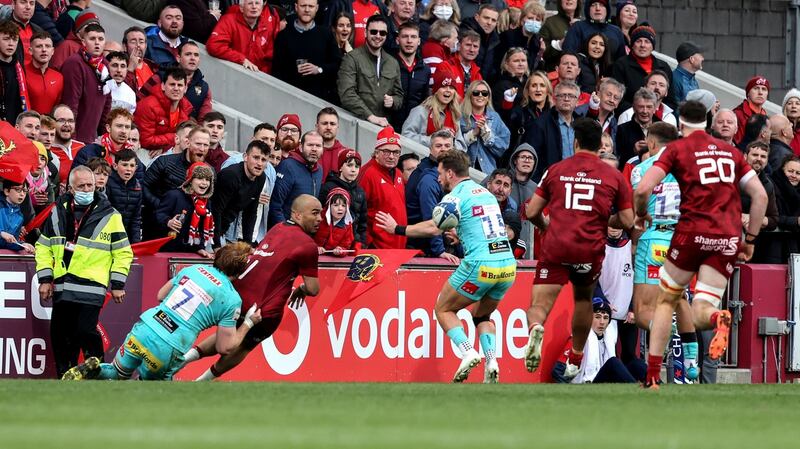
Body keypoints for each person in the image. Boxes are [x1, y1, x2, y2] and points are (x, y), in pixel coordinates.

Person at [633, 100, 769, 389]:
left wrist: (642, 213)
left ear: (681, 124)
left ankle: (653, 376)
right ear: (707, 123)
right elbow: (760, 197)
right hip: (727, 237)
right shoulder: (731, 152)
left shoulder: (677, 149)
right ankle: (718, 317)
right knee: (701, 308)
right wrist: (751, 240)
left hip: (691, 234)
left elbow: (643, 188)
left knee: (667, 300)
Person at [377, 150, 517, 383]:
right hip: (506, 266)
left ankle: (467, 351)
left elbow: (434, 227)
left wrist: (398, 229)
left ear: (451, 173)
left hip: (480, 264)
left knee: (443, 309)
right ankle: (491, 360)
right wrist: (462, 235)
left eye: (440, 173)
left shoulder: (454, 197)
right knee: (482, 316)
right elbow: (484, 228)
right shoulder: (486, 194)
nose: (439, 178)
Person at [523, 118, 634, 379]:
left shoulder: (556, 169)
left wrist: (545, 225)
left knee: (539, 303)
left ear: (575, 142)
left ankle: (537, 327)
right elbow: (628, 221)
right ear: (600, 145)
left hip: (557, 246)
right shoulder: (614, 176)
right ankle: (575, 355)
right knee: (583, 300)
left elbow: (531, 211)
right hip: (589, 248)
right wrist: (607, 220)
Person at [60, 242, 261, 381]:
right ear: (241, 271)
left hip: (145, 328)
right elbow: (225, 347)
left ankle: (95, 368)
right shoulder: (232, 299)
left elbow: (160, 295)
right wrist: (248, 324)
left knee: (116, 372)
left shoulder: (193, 269)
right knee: (157, 393)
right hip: (169, 346)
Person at [186, 195, 321, 381]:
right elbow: (313, 289)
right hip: (264, 309)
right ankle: (200, 382)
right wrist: (302, 289)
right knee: (244, 345)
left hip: (237, 294)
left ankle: (181, 360)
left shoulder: (277, 228)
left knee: (227, 333)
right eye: (314, 213)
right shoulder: (308, 245)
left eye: (321, 214)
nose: (320, 219)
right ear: (297, 215)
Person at [36, 165, 134, 378]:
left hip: (92, 284)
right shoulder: (57, 211)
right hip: (62, 283)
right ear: (70, 188)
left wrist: (117, 284)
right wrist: (45, 278)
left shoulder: (110, 215)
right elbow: (43, 247)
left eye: (90, 185)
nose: (87, 189)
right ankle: (66, 374)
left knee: (84, 330)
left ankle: (96, 365)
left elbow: (123, 253)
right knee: (61, 334)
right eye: (82, 186)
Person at [628, 121, 701, 380]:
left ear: (651, 142)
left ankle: (663, 330)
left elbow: (639, 195)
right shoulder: (691, 170)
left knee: (642, 310)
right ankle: (692, 362)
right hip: (682, 239)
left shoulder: (643, 169)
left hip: (655, 237)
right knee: (679, 298)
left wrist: (639, 217)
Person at [551, 297, 645, 383]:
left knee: (637, 363)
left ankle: (657, 388)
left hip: (603, 379)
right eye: (597, 317)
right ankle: (635, 390)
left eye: (606, 318)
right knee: (613, 362)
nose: (602, 322)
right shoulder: (580, 338)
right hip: (587, 383)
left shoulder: (609, 338)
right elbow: (558, 370)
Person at [338, 14, 403, 127]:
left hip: (383, 127)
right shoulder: (351, 58)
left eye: (382, 33)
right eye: (373, 32)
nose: (378, 36)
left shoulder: (393, 62)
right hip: (357, 124)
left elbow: (399, 96)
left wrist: (393, 101)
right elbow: (347, 94)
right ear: (365, 33)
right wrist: (370, 117)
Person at [272, 0, 341, 102]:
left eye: (311, 6)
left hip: (320, 100)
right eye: (303, 6)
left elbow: (338, 64)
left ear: (317, 8)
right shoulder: (283, 36)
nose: (307, 10)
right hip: (289, 97)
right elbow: (276, 70)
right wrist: (294, 70)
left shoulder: (326, 34)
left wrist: (319, 69)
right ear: (296, 7)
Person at [405, 129, 457, 260]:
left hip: (437, 238)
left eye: (447, 146)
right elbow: (432, 217)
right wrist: (439, 251)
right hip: (425, 247)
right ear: (430, 149)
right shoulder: (428, 177)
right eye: (438, 146)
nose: (443, 149)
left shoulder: (446, 170)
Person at [142, 126, 210, 224]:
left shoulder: (209, 171)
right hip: (158, 223)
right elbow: (144, 187)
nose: (202, 149)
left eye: (206, 145)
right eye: (198, 144)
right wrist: (163, 207)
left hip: (190, 229)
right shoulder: (164, 162)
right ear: (188, 143)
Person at [60, 22, 110, 144]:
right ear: (83, 42)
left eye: (101, 39)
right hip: (74, 138)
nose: (97, 42)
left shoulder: (105, 66)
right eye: (92, 39)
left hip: (92, 139)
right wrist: (71, 137)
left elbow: (107, 105)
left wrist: (104, 137)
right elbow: (71, 102)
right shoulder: (74, 63)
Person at [359, 126, 407, 249]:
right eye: (386, 151)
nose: (391, 156)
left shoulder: (398, 173)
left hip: (398, 244)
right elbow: (358, 210)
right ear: (376, 153)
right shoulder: (367, 173)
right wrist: (367, 243)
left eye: (396, 152)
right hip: (377, 247)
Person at [214, 140, 269, 246]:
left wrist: (248, 245)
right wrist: (216, 245)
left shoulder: (261, 178)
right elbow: (216, 210)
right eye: (256, 157)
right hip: (206, 229)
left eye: (264, 160)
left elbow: (250, 212)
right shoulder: (231, 175)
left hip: (223, 228)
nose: (259, 163)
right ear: (245, 157)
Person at [157, 162, 216, 256]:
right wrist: (168, 221)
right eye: (200, 178)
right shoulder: (174, 195)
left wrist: (200, 248)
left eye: (208, 179)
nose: (204, 183)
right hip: (167, 251)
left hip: (189, 252)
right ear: (190, 180)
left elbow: (201, 230)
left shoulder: (206, 202)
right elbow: (158, 215)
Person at [610, 25, 675, 112]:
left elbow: (671, 100)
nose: (642, 45)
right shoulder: (621, 65)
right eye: (638, 41)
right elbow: (617, 98)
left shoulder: (663, 67)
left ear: (652, 46)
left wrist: (658, 114)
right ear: (632, 45)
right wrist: (640, 112)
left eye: (647, 41)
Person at [206, 0, 281, 73]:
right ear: (241, 8)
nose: (254, 6)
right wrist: (241, 59)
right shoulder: (228, 21)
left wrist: (263, 76)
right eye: (250, 3)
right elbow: (214, 46)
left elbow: (268, 57)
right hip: (233, 72)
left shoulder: (266, 26)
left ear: (262, 7)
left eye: (257, 3)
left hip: (257, 77)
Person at [402, 66, 467, 151]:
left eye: (451, 88)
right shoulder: (420, 111)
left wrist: (450, 142)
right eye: (444, 86)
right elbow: (405, 136)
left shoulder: (454, 115)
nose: (448, 90)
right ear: (436, 91)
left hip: (448, 162)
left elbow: (462, 147)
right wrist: (433, 140)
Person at [528, 80, 581, 182]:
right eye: (562, 95)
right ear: (554, 99)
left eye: (571, 96)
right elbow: (533, 158)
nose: (566, 99)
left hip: (578, 180)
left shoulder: (583, 125)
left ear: (577, 101)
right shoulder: (540, 124)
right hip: (551, 181)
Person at [268, 131, 323, 228]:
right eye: (310, 145)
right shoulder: (288, 166)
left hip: (306, 233)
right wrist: (286, 231)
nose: (314, 149)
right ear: (301, 147)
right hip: (286, 232)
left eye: (318, 146)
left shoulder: (319, 170)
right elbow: (275, 205)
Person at [71, 108, 144, 180]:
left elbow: (139, 186)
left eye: (127, 127)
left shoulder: (133, 158)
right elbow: (76, 182)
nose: (123, 131)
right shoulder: (87, 153)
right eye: (119, 126)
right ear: (108, 128)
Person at [135, 67, 193, 152]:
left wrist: (165, 148)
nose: (176, 88)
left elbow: (187, 140)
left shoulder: (186, 108)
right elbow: (145, 140)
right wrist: (175, 137)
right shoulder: (148, 106)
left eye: (180, 85)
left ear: (185, 89)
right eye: (172, 84)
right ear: (162, 86)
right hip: (144, 153)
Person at [740, 141, 780, 263]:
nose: (759, 159)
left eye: (763, 156)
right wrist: (740, 216)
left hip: (754, 243)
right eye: (755, 155)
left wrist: (756, 219)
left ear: (767, 161)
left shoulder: (768, 184)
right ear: (745, 156)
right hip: (727, 237)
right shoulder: (732, 177)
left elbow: (774, 220)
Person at [319, 148, 368, 247]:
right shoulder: (328, 187)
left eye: (357, 166)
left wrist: (361, 243)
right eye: (349, 165)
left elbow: (363, 223)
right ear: (340, 167)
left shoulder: (360, 192)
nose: (353, 169)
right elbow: (320, 217)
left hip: (353, 244)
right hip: (330, 245)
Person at [461, 80, 510, 174]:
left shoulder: (494, 117)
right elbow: (455, 144)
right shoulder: (460, 116)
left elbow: (503, 147)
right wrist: (473, 133)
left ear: (488, 97)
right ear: (470, 96)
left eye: (484, 93)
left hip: (487, 171)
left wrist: (486, 134)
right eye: (476, 93)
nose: (480, 96)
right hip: (463, 169)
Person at [391, 21, 430, 131]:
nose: (409, 41)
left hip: (413, 129)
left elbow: (424, 101)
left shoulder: (425, 70)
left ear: (419, 41)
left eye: (413, 37)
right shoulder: (388, 65)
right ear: (397, 40)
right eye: (405, 36)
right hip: (389, 126)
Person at [105, 149, 143, 244]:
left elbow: (136, 219)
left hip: (125, 237)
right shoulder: (107, 183)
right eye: (124, 165)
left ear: (136, 168)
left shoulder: (137, 186)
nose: (129, 169)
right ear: (115, 166)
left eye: (132, 165)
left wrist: (136, 243)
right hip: (106, 235)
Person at [508, 70, 551, 152]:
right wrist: (507, 103)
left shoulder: (554, 115)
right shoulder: (519, 113)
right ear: (527, 91)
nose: (538, 89)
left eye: (542, 85)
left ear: (548, 91)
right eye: (534, 86)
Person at [496, 1, 544, 74]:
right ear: (522, 20)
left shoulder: (538, 41)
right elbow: (499, 64)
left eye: (538, 20)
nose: (534, 22)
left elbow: (534, 68)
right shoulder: (507, 36)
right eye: (530, 18)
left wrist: (540, 53)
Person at [615, 88, 657, 170]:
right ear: (634, 108)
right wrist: (633, 151)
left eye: (649, 107)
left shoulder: (663, 129)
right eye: (641, 107)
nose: (645, 111)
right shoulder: (622, 130)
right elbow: (617, 160)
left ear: (655, 108)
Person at [24, 31, 63, 116]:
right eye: (39, 46)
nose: (44, 50)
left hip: (50, 127)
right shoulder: (22, 73)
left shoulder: (58, 77)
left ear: (52, 51)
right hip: (27, 126)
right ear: (30, 51)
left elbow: (58, 108)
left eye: (47, 46)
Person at [459, 4, 500, 81]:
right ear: (477, 17)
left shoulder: (495, 40)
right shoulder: (464, 33)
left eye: (493, 20)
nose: (489, 22)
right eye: (486, 18)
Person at [771, 155, 800, 262]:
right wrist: (796, 221)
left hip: (794, 246)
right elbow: (770, 217)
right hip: (772, 246)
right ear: (782, 170)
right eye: (790, 171)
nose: (794, 175)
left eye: (798, 173)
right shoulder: (772, 186)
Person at [440, 29, 482, 99]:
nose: (471, 50)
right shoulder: (445, 66)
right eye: (468, 45)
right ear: (459, 46)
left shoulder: (477, 74)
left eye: (475, 46)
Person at [492, 47, 528, 126]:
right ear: (506, 64)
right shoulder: (501, 86)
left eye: (523, 60)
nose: (521, 64)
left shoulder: (531, 82)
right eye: (516, 61)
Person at [540, 0, 581, 71]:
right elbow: (543, 53)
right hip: (555, 72)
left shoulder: (583, 23)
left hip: (580, 74)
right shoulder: (550, 22)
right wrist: (558, 45)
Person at [315, 187, 355, 255]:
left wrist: (340, 250)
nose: (340, 208)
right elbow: (308, 238)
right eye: (336, 205)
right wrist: (315, 247)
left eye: (343, 206)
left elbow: (346, 247)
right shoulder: (319, 219)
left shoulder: (348, 225)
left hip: (332, 260)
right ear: (329, 206)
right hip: (314, 256)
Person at [0, 20, 25, 124]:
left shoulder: (19, 68)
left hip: (15, 126)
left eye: (14, 39)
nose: (11, 44)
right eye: (6, 39)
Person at [733, 76, 770, 145]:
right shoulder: (737, 114)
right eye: (756, 88)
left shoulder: (766, 116)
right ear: (748, 93)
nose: (760, 92)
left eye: (764, 89)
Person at [0, 180, 34, 254]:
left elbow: (11, 242)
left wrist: (22, 245)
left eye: (25, 191)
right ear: (7, 191)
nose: (22, 194)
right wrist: (1, 233)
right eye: (18, 190)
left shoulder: (20, 216)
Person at [122, 26, 158, 96]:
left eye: (141, 42)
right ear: (125, 46)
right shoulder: (118, 66)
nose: (138, 45)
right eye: (133, 42)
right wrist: (130, 69)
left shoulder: (154, 68)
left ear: (146, 46)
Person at [782, 88, 800, 154]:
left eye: (797, 103)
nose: (793, 106)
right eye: (790, 103)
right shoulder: (779, 128)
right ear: (785, 108)